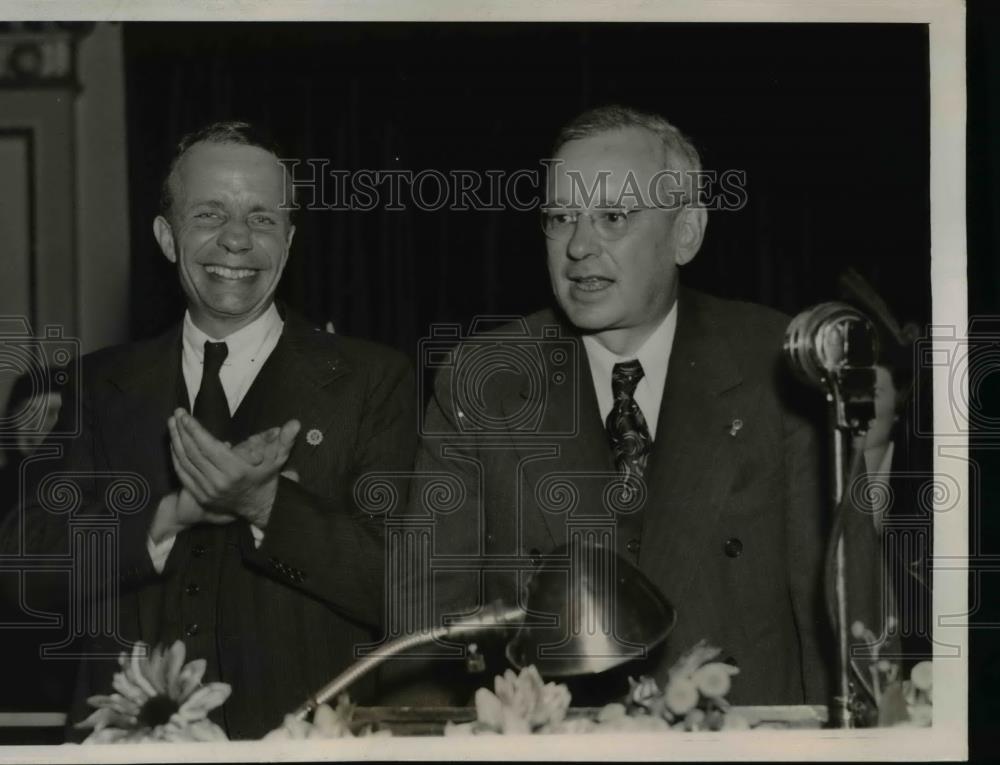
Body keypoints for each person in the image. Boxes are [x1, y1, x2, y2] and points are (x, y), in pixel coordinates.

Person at [1, 121, 416, 739]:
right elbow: (21, 566)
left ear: (290, 239)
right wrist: (171, 514)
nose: (237, 240)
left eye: (263, 218)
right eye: (209, 215)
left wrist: (265, 504)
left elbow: (406, 588)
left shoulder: (372, 381)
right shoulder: (92, 386)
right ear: (167, 237)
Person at [411, 105, 831, 707]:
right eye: (560, 218)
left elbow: (838, 628)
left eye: (613, 217)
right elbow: (432, 622)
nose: (579, 246)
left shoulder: (779, 364)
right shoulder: (483, 380)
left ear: (685, 233)